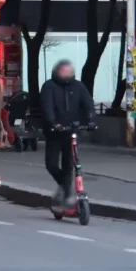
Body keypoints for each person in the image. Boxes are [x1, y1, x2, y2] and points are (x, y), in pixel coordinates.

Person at [40, 60, 96, 207]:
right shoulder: (49, 86)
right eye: (63, 71)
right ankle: (65, 186)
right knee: (51, 164)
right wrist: (53, 123)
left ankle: (66, 193)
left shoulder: (78, 86)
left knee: (69, 165)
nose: (66, 73)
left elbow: (88, 103)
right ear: (57, 71)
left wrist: (91, 120)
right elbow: (47, 107)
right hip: (55, 132)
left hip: (72, 130)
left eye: (68, 71)